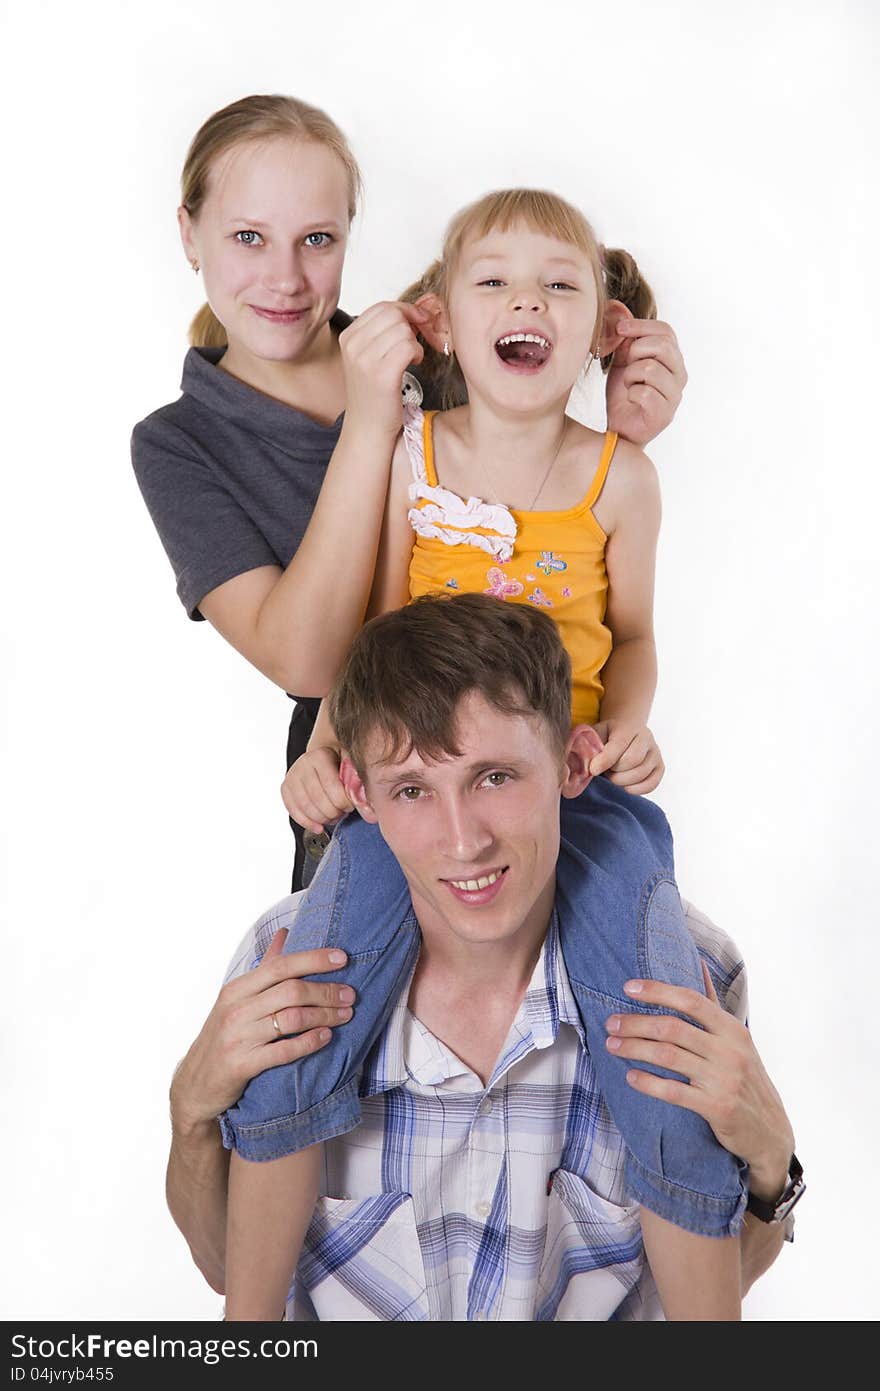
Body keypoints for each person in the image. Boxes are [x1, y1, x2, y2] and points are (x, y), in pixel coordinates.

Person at [131, 94, 689, 889]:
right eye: (247, 236)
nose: (285, 277)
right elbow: (316, 658)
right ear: (189, 232)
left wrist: (630, 413)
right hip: (369, 740)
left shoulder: (437, 346)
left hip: (552, 749)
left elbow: (553, 450)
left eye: (317, 239)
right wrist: (372, 424)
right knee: (351, 984)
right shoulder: (179, 444)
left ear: (348, 236)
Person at [219, 594, 801, 1320]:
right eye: (412, 790)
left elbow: (714, 1268)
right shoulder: (282, 961)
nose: (464, 841)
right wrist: (189, 1113)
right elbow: (222, 1257)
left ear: (571, 763)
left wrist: (774, 1169)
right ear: (358, 794)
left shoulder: (693, 967)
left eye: (495, 777)